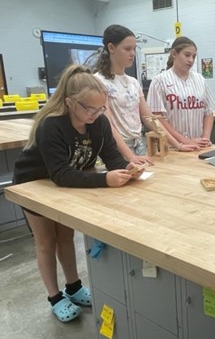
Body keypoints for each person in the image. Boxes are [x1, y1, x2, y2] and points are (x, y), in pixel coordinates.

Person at [13, 64, 145, 322]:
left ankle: (73, 287)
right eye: (89, 109)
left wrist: (128, 168)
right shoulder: (52, 126)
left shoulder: (99, 122)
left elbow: (111, 157)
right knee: (46, 242)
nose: (95, 114)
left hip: (65, 181)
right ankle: (54, 296)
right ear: (70, 102)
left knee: (65, 236)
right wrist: (105, 179)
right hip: (35, 184)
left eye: (100, 108)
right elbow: (60, 174)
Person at [94, 25, 199, 160]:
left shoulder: (133, 83)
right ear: (111, 48)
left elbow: (150, 119)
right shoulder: (98, 82)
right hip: (114, 150)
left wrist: (178, 144)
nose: (132, 53)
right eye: (127, 49)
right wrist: (130, 157)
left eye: (134, 49)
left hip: (137, 147)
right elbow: (108, 127)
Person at [147, 36, 215, 148]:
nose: (191, 60)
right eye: (187, 55)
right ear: (174, 54)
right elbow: (157, 118)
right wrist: (183, 141)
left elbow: (208, 112)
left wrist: (205, 138)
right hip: (171, 147)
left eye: (194, 56)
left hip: (198, 145)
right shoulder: (160, 81)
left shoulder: (200, 80)